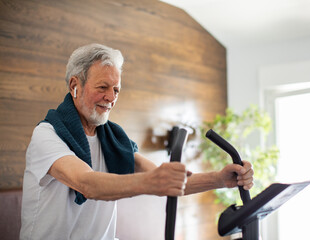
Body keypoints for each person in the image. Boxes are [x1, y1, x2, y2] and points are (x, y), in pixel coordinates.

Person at [20, 43, 254, 240]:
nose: (111, 98)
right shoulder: (47, 135)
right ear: (75, 86)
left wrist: (220, 179)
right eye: (102, 87)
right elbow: (86, 183)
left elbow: (168, 180)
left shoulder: (112, 139)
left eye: (116, 90)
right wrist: (150, 182)